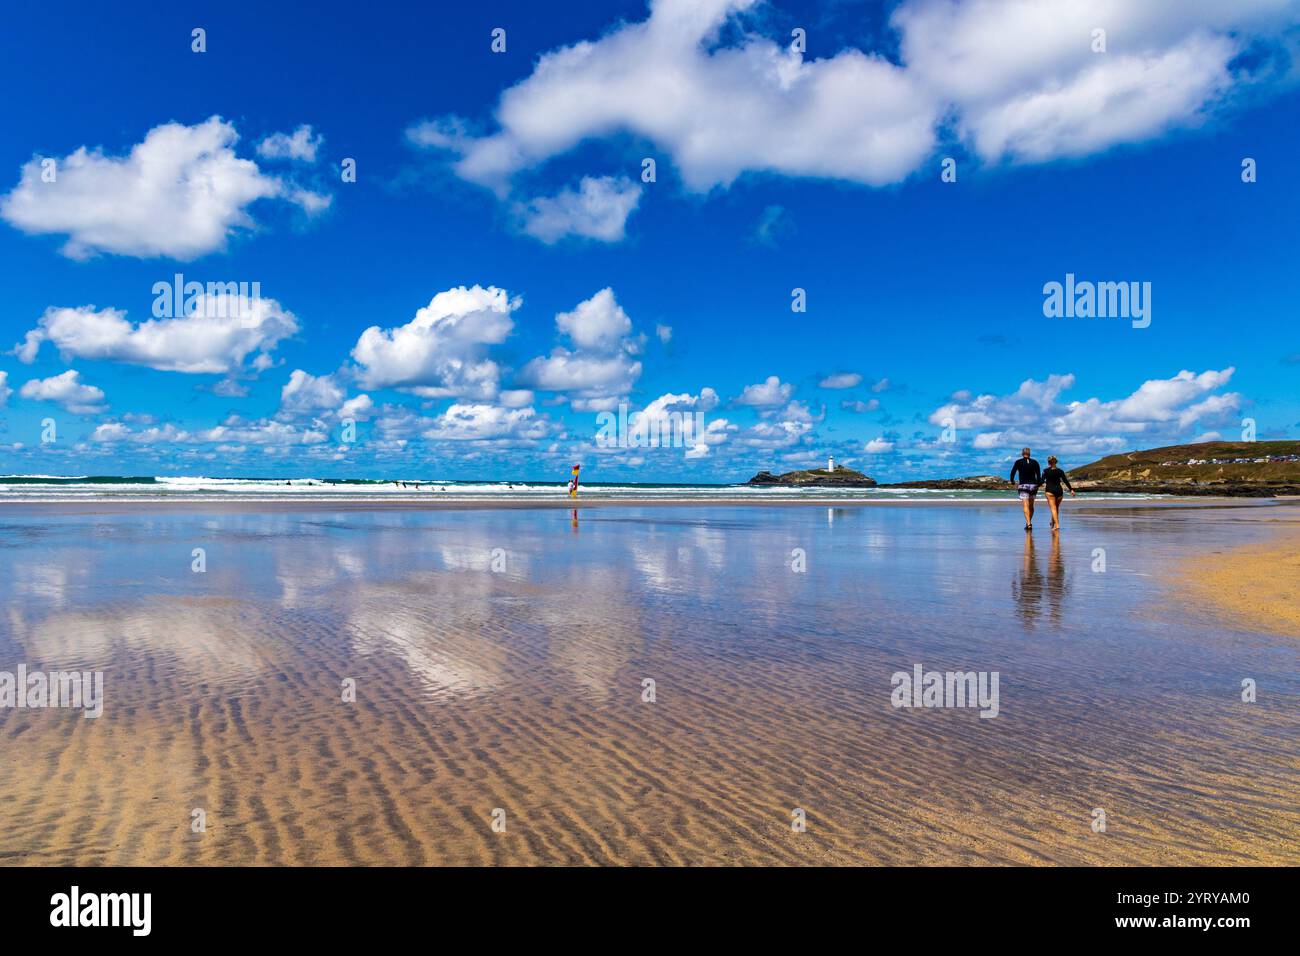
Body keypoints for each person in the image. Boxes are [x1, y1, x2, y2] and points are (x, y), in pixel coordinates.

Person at [1037, 455, 1075, 531]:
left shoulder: (1045, 471)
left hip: (1050, 491)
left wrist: (1035, 485)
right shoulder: (1060, 471)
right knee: (1056, 508)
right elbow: (1065, 481)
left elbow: (1041, 481)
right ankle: (1052, 522)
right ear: (1056, 462)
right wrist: (1071, 489)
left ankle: (1057, 525)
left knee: (1053, 508)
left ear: (1048, 462)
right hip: (1059, 491)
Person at [1009, 447, 1041, 531]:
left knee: (1025, 505)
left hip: (1023, 485)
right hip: (1033, 485)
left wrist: (1012, 481)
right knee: (1031, 505)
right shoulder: (1035, 462)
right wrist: (1038, 484)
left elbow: (1013, 472)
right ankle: (1028, 522)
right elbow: (1038, 475)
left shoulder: (1018, 462)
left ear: (1022, 453)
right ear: (1029, 454)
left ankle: (1029, 523)